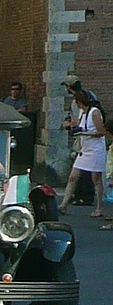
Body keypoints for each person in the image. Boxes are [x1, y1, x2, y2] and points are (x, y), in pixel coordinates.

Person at [58, 87, 109, 222]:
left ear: (80, 102)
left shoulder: (94, 112)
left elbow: (102, 132)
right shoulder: (82, 113)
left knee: (96, 179)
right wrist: (69, 126)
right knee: (73, 177)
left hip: (96, 150)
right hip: (85, 149)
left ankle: (99, 208)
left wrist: (85, 133)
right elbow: (77, 124)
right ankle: (63, 205)